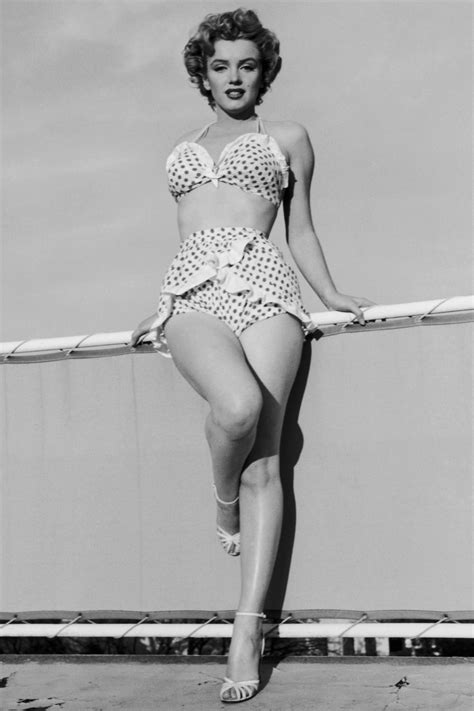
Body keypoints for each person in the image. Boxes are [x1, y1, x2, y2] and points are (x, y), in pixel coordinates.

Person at [129, 8, 374, 704]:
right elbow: (190, 233)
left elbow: (302, 230)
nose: (234, 76)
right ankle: (222, 501)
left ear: (263, 70)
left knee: (269, 457)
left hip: (270, 290)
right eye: (220, 65)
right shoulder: (182, 147)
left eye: (246, 64)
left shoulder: (288, 138)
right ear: (201, 74)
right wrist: (160, 303)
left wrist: (329, 292)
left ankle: (245, 629)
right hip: (192, 295)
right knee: (234, 408)